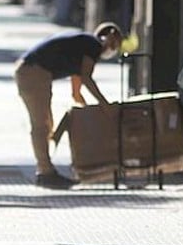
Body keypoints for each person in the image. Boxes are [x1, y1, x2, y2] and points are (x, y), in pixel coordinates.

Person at [14, 23, 123, 189]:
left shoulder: (82, 44)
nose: (114, 50)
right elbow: (86, 77)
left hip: (32, 71)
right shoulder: (93, 45)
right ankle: (45, 172)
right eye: (116, 45)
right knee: (41, 126)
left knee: (46, 124)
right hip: (34, 73)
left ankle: (46, 169)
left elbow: (76, 91)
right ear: (110, 39)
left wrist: (87, 108)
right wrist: (105, 105)